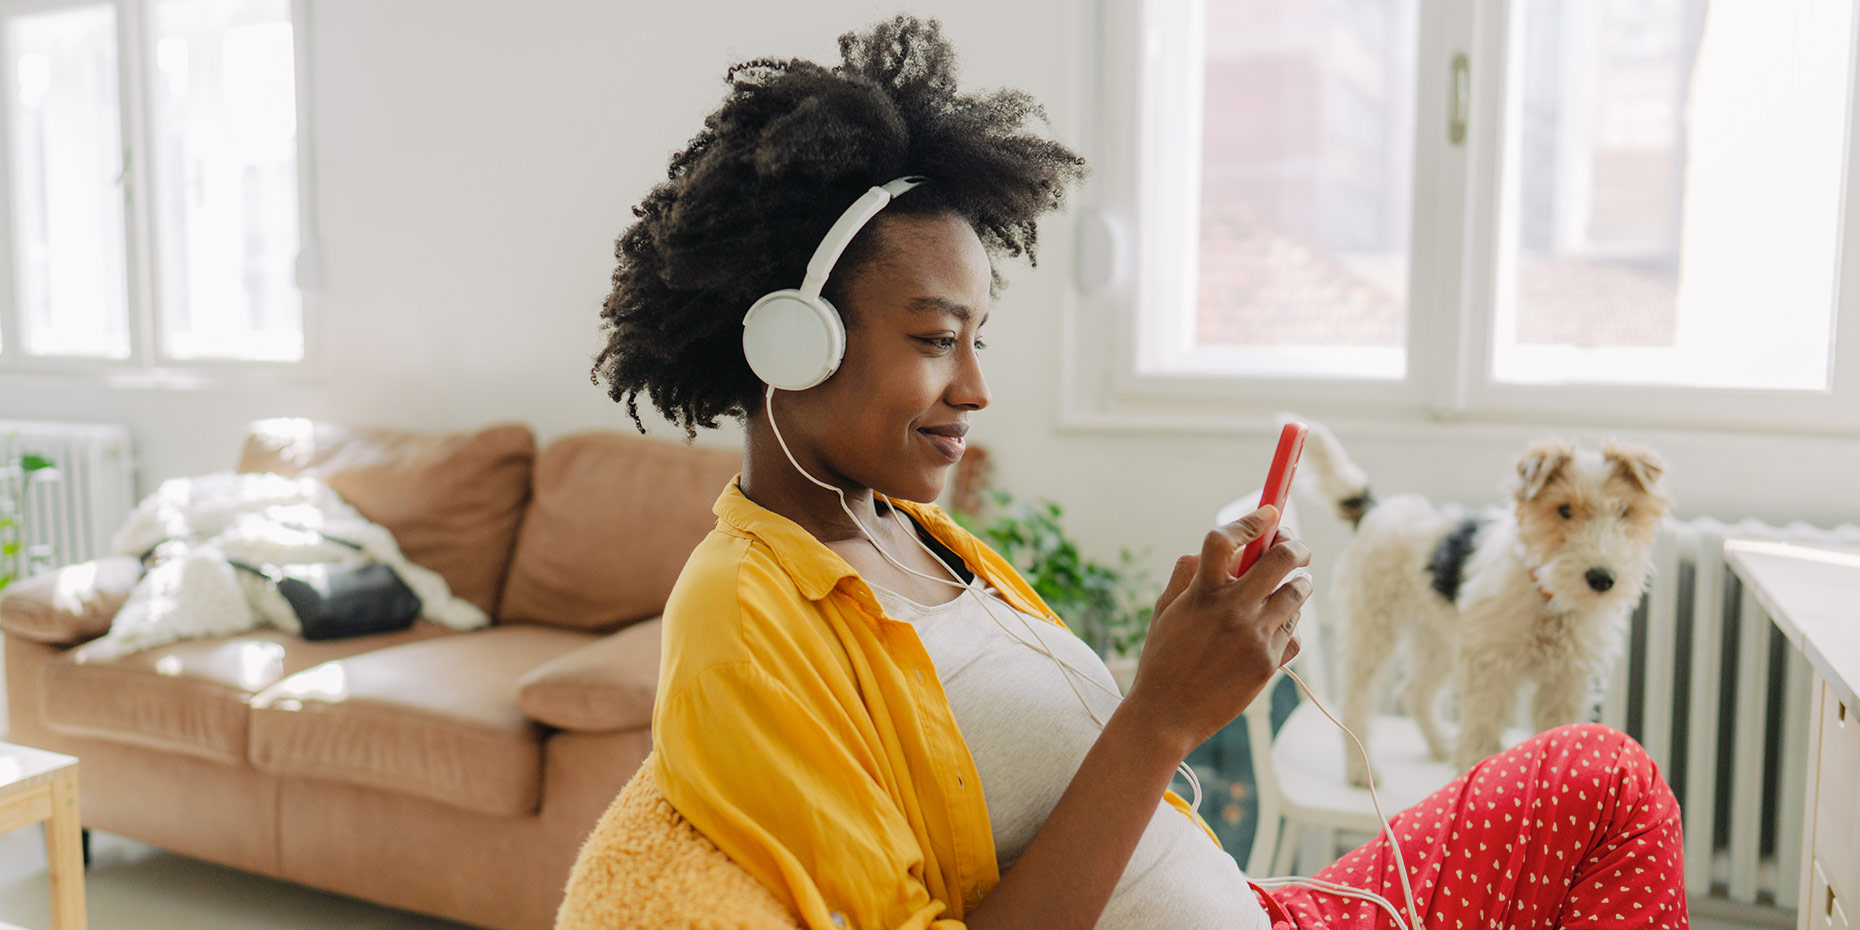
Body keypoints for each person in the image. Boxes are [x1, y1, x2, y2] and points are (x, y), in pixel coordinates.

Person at [589, 15, 1688, 930]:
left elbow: (1050, 781)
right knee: (1606, 782)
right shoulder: (744, 616)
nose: (975, 389)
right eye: (935, 339)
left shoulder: (913, 534)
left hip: (1258, 907)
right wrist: (1160, 716)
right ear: (794, 342)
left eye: (981, 340)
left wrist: (1181, 662)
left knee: (1603, 775)